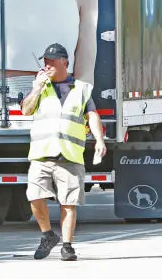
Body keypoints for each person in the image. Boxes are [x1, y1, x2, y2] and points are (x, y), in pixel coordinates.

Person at [21, 42, 106, 261]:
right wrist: (37, 86)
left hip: (69, 155)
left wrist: (99, 139)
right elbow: (26, 109)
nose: (47, 65)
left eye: (51, 61)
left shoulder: (81, 89)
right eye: (45, 62)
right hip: (42, 154)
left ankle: (67, 246)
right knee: (35, 197)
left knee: (68, 203)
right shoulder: (41, 87)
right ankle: (47, 234)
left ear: (65, 63)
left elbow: (93, 116)